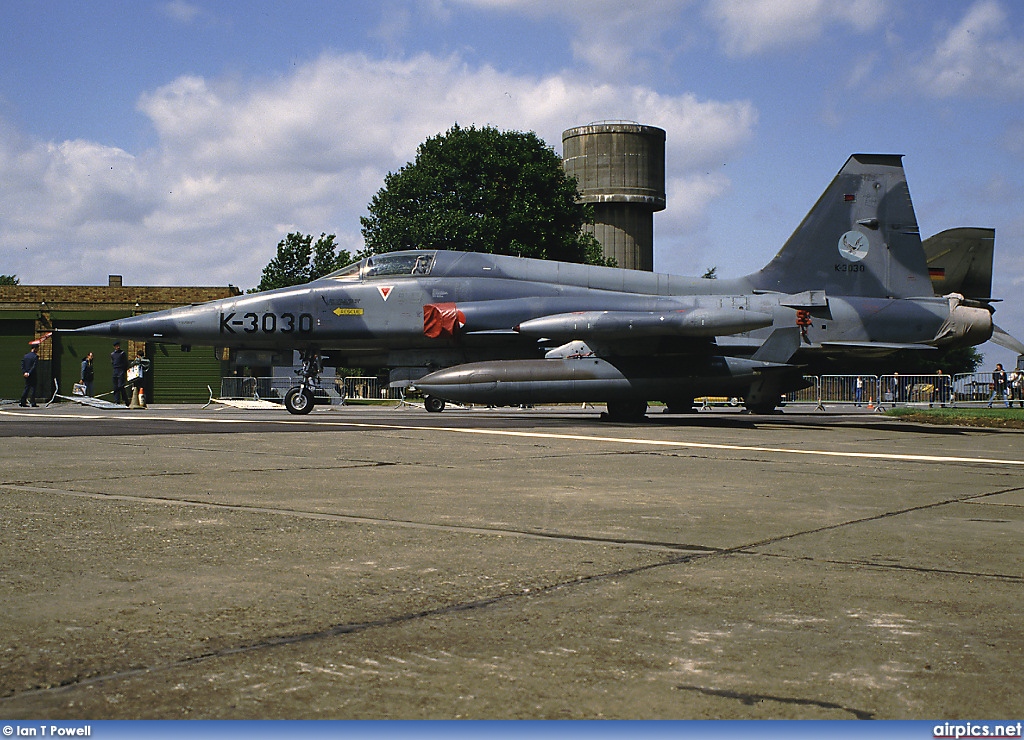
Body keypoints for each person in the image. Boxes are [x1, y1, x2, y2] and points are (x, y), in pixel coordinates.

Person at [20, 343, 39, 407]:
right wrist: (29, 373)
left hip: (26, 374)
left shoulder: (26, 356)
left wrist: (24, 372)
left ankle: (22, 401)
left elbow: (22, 364)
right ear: (35, 348)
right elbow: (34, 366)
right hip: (32, 375)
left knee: (27, 388)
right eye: (37, 348)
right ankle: (32, 402)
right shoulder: (35, 356)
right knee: (33, 388)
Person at [111, 340, 129, 406]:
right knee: (115, 387)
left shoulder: (122, 353)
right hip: (115, 370)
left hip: (121, 370)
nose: (118, 347)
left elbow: (126, 363)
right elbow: (113, 362)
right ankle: (116, 401)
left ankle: (126, 400)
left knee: (121, 386)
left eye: (118, 346)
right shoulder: (112, 354)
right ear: (114, 347)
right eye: (116, 346)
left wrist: (124, 370)